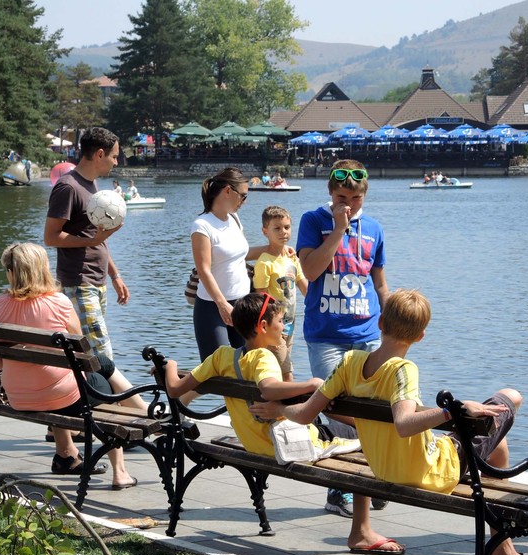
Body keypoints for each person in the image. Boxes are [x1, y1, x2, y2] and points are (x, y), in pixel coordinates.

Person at [249, 289, 528, 555]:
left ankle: (502, 552)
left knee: (497, 445)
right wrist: (451, 410)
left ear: (379, 322)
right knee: (510, 397)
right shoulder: (404, 369)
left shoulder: (350, 362)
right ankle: (502, 554)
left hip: (382, 468)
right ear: (420, 336)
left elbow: (304, 414)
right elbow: (404, 425)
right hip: (429, 471)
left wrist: (279, 410)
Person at [0, 242, 144, 486]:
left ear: (11, 272)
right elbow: (82, 355)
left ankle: (66, 454)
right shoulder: (58, 303)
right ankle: (123, 466)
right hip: (64, 398)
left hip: (18, 396)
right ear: (42, 269)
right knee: (104, 381)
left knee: (82, 369)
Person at [296, 159, 388, 517]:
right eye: (340, 196)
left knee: (373, 410)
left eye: (355, 198)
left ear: (365, 195)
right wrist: (338, 229)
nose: (348, 204)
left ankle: (367, 480)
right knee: (338, 412)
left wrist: (391, 319)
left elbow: (378, 280)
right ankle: (341, 490)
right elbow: (310, 269)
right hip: (326, 335)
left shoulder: (375, 228)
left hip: (367, 332)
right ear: (330, 193)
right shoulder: (313, 221)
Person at [162, 292, 358, 459]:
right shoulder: (263, 357)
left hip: (254, 444)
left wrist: (171, 365)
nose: (283, 327)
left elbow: (174, 389)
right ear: (263, 326)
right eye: (280, 321)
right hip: (288, 445)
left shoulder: (221, 357)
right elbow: (268, 388)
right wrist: (311, 384)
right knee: (359, 431)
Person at [44, 127, 129, 361]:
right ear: (100, 154)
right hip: (78, 282)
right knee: (101, 355)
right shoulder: (68, 187)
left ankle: (97, 395)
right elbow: (51, 237)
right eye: (114, 156)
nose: (115, 162)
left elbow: (96, 237)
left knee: (92, 354)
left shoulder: (91, 185)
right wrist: (92, 240)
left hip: (97, 281)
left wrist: (114, 275)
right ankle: (107, 398)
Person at [190, 167, 282, 361]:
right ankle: (176, 388)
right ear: (228, 191)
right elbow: (203, 269)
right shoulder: (202, 225)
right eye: (243, 196)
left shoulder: (234, 218)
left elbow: (240, 254)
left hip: (242, 306)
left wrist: (275, 249)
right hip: (212, 307)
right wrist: (222, 304)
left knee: (247, 366)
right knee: (218, 370)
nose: (244, 202)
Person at [253, 206, 308, 381]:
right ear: (265, 231)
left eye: (286, 227)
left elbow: (304, 287)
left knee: (280, 368)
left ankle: (275, 405)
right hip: (273, 327)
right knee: (286, 373)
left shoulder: (292, 258)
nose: (283, 232)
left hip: (290, 324)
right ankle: (290, 405)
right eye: (276, 228)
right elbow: (260, 296)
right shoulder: (264, 262)